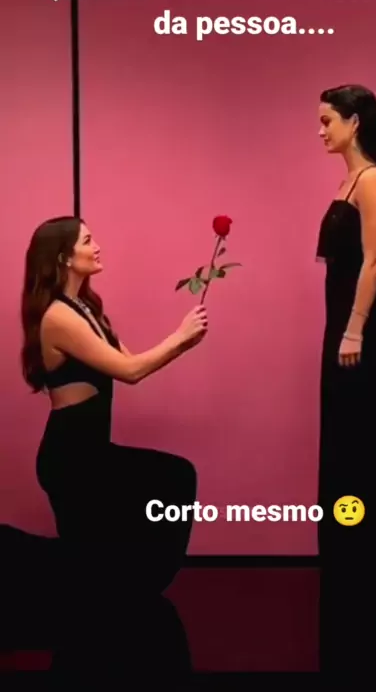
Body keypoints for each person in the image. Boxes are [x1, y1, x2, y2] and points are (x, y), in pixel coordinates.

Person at [21, 215, 208, 597]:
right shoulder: (59, 317)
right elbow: (130, 372)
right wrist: (181, 337)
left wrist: (183, 343)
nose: (97, 247)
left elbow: (130, 362)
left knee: (174, 478)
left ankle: (143, 591)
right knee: (84, 569)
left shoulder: (86, 308)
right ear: (64, 257)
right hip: (70, 460)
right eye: (87, 241)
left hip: (91, 455)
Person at [315, 84, 376, 672]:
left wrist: (354, 330)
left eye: (328, 121)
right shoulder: (347, 180)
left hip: (364, 327)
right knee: (341, 442)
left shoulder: (373, 180)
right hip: (343, 325)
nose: (320, 131)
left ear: (354, 122)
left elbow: (373, 262)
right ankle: (344, 550)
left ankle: (360, 556)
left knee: (359, 441)